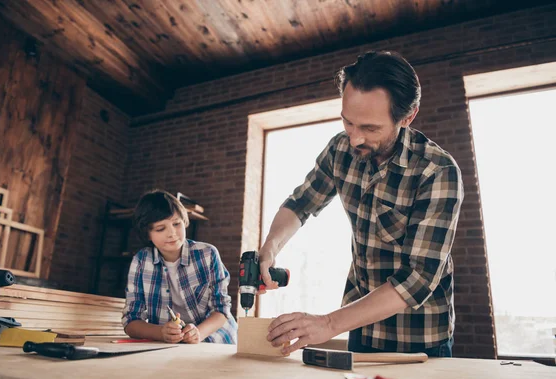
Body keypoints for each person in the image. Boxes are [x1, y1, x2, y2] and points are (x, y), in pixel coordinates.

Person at [260, 51, 464, 356]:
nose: (354, 138)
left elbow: (418, 278)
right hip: (361, 331)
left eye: (370, 128)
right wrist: (270, 248)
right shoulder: (339, 149)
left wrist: (328, 324)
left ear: (407, 117)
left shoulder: (437, 172)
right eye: (348, 122)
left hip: (419, 339)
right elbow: (301, 203)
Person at [122, 189, 237, 344]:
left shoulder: (207, 254)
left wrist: (199, 333)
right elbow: (131, 321)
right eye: (160, 228)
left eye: (176, 224)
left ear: (184, 221)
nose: (172, 233)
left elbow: (222, 310)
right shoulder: (141, 261)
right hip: (171, 342)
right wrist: (160, 332)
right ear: (147, 234)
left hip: (214, 336)